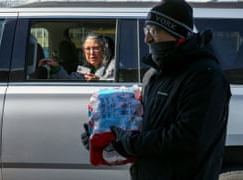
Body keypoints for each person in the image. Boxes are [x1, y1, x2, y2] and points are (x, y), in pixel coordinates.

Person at [81, 0, 231, 179]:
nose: (147, 39)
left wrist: (130, 142)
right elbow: (145, 126)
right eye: (146, 31)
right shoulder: (153, 74)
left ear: (178, 33)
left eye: (154, 31)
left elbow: (188, 139)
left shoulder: (205, 75)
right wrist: (106, 136)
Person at [38, 34, 115, 81]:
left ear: (104, 50)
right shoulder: (86, 68)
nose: (91, 53)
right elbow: (69, 81)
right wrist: (56, 67)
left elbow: (119, 86)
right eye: (88, 49)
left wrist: (99, 81)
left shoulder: (112, 66)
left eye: (96, 48)